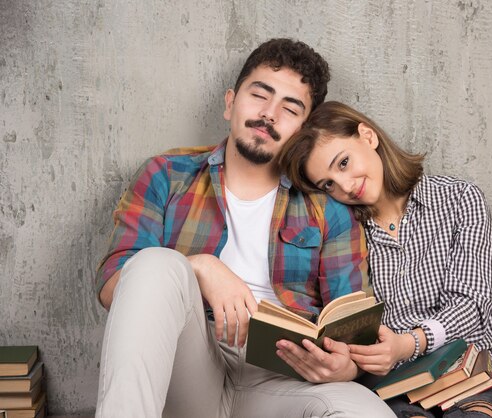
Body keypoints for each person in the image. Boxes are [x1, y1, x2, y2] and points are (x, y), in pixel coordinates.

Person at [94, 40, 395, 418]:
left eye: (290, 108)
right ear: (230, 102)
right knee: (155, 263)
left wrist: (343, 366)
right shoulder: (166, 176)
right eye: (260, 95)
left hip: (285, 382)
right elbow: (112, 291)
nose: (269, 114)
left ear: (303, 132)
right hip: (187, 371)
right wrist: (200, 268)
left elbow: (350, 330)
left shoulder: (328, 208)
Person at [278, 101, 492, 418]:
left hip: (478, 373)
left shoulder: (460, 198)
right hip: (396, 387)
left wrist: (409, 343)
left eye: (343, 163)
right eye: (328, 184)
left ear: (367, 136)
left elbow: (471, 305)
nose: (345, 186)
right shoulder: (345, 237)